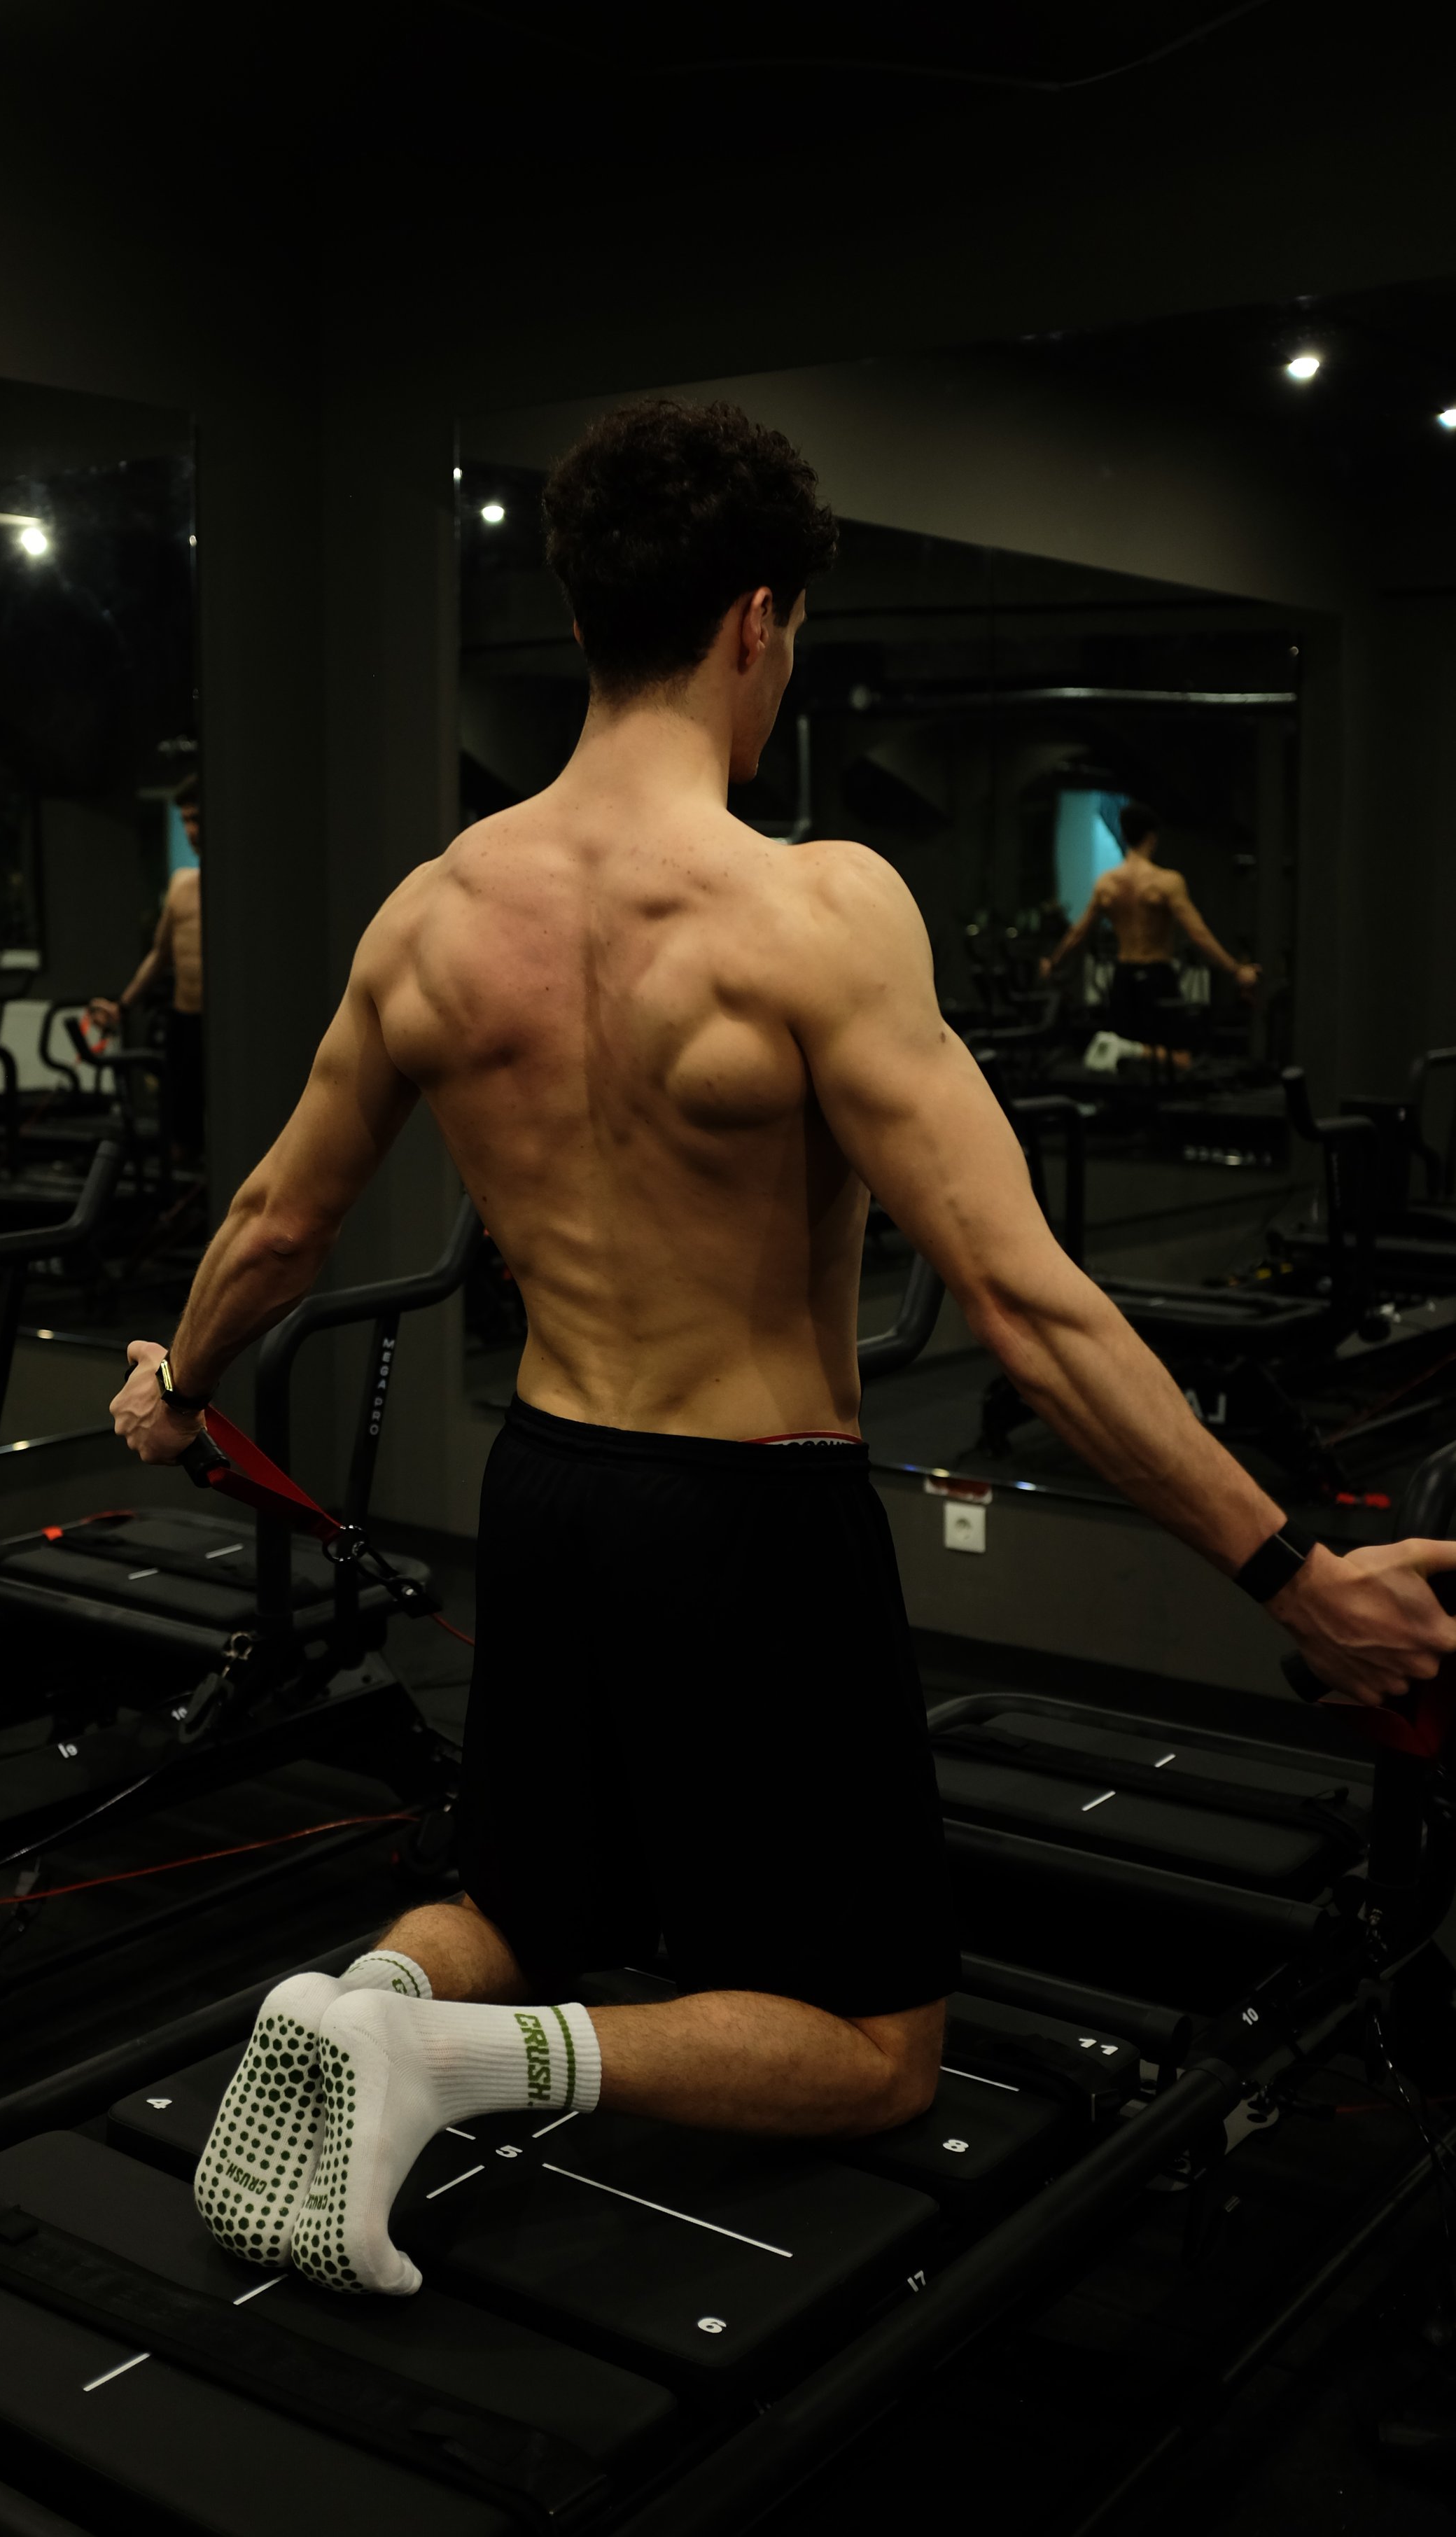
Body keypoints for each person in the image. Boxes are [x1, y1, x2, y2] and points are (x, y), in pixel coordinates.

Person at [109, 399, 1456, 2300]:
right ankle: (446, 2053)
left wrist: (173, 1381)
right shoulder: (810, 912)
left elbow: (274, 1219)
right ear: (758, 621)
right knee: (872, 2048)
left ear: (586, 614)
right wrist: (1291, 1576)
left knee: (517, 1897)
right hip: (749, 1520)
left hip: (550, 1486)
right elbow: (1025, 1305)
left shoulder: (430, 915)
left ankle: (373, 1996)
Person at [1040, 800, 1259, 1060]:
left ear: (1125, 836)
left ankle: (1129, 1051)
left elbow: (1078, 933)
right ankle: (1134, 1052)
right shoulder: (1167, 882)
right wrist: (1235, 970)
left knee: (1126, 1062)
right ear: (1152, 838)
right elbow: (1198, 934)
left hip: (1123, 979)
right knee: (1181, 1058)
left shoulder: (1107, 883)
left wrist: (1053, 963)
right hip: (1157, 977)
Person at [91, 776, 204, 1159]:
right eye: (186, 820)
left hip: (223, 1031)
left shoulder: (242, 889)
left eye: (199, 819)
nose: (192, 831)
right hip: (184, 1022)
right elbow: (160, 956)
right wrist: (121, 1007)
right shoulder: (181, 885)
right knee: (178, 1132)